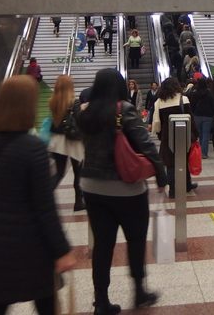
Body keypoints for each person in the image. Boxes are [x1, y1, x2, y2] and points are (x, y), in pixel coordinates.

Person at [0, 75, 76, 315]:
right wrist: (61, 249)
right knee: (46, 302)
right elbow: (45, 207)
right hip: (28, 244)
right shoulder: (32, 148)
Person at [77, 69, 167, 314]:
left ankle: (101, 301)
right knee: (135, 241)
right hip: (126, 189)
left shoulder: (85, 112)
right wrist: (160, 171)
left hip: (92, 188)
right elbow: (145, 142)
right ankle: (139, 292)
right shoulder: (123, 109)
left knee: (103, 245)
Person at [152, 77, 198, 198]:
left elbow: (157, 122)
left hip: (168, 137)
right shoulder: (184, 99)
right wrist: (195, 135)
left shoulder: (159, 102)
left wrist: (159, 134)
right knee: (184, 160)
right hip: (184, 135)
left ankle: (173, 190)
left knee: (170, 164)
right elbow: (191, 119)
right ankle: (187, 185)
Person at [48, 74, 85, 212]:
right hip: (72, 139)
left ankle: (44, 196)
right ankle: (78, 201)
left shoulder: (53, 101)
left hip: (57, 140)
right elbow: (78, 119)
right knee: (78, 171)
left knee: (59, 172)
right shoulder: (73, 102)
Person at [190, 77, 214, 159]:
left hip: (197, 115)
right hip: (208, 116)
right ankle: (204, 153)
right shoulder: (209, 93)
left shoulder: (195, 93)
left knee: (200, 134)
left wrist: (192, 114)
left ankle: (199, 152)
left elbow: (192, 105)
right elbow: (213, 104)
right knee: (206, 134)